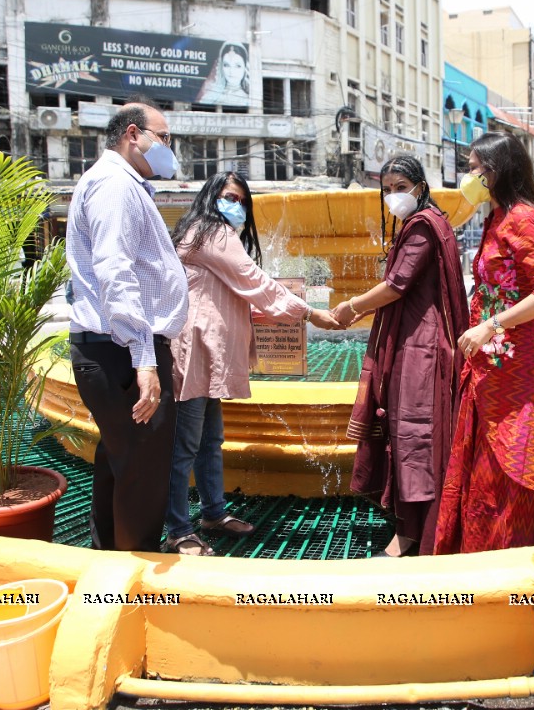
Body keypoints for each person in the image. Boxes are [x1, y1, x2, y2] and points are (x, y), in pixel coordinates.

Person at [168, 172, 341, 556]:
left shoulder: (206, 232)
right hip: (194, 350)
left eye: (243, 201)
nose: (237, 206)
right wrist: (309, 313)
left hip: (207, 352)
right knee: (184, 447)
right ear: (211, 197)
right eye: (230, 197)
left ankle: (213, 513)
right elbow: (255, 281)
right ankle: (178, 529)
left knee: (209, 441)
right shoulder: (210, 232)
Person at [431, 132, 534, 554]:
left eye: (476, 168)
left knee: (517, 451)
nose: (469, 175)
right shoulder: (495, 218)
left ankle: (517, 547)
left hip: (522, 362)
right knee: (488, 455)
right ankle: (481, 548)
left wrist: (489, 325)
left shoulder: (524, 219)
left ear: (497, 172)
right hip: (493, 359)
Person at [330, 155, 468, 557]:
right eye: (387, 189)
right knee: (414, 436)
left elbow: (396, 284)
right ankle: (414, 528)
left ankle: (413, 535)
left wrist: (350, 306)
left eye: (400, 187)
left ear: (420, 187)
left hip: (421, 349)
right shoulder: (431, 222)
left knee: (414, 438)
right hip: (421, 343)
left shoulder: (423, 226)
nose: (393, 196)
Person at [67, 101, 189, 552]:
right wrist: (144, 360)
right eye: (165, 137)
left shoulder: (120, 183)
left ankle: (110, 562)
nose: (169, 148)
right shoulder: (115, 185)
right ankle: (135, 580)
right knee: (142, 472)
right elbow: (115, 272)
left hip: (115, 348)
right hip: (121, 351)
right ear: (133, 134)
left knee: (122, 462)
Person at [197, 42, 250, 107]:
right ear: (221, 67)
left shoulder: (248, 100)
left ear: (245, 68)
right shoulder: (211, 96)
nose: (231, 71)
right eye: (226, 65)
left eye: (238, 66)